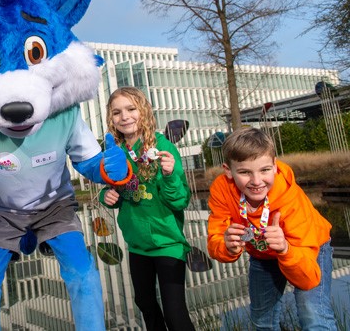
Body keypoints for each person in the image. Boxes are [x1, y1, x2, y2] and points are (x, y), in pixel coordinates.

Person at [207, 127, 335, 330]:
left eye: (264, 170)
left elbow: (308, 280)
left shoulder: (291, 201)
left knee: (313, 316)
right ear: (228, 171)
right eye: (244, 172)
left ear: (275, 166)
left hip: (307, 249)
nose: (257, 181)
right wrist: (227, 246)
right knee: (262, 320)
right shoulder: (221, 190)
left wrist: (284, 248)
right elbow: (215, 240)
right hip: (263, 255)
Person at [100, 86, 195, 331]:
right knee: (145, 304)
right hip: (138, 244)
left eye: (131, 109)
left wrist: (169, 173)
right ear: (111, 118)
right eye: (117, 112)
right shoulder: (116, 153)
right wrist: (107, 196)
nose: (124, 117)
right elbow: (115, 189)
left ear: (143, 111)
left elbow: (180, 200)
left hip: (167, 243)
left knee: (175, 314)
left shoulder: (163, 147)